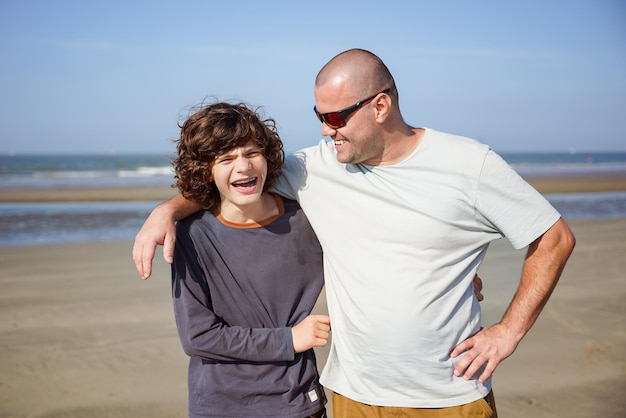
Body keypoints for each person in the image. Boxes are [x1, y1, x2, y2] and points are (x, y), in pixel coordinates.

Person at [134, 49, 575, 417]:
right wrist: (168, 210)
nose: (326, 130)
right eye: (319, 116)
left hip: (448, 394)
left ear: (379, 106)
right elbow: (232, 179)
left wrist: (509, 331)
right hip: (350, 396)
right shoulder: (315, 169)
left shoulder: (469, 164)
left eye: (336, 116)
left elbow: (553, 238)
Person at [167, 101, 330, 418]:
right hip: (220, 405)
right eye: (226, 159)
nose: (243, 167)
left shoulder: (308, 222)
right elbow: (198, 338)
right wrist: (288, 339)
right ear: (205, 170)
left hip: (296, 401)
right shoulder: (192, 235)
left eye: (252, 153)